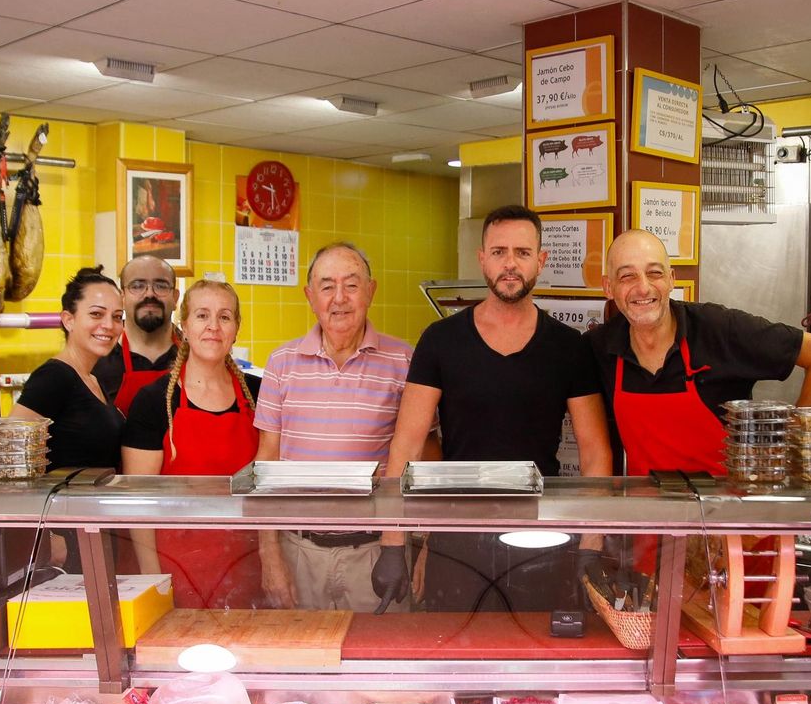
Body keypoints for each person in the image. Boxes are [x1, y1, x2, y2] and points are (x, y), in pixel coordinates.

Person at [374, 205, 613, 613]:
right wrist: (392, 541)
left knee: (536, 661)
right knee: (455, 663)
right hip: (457, 535)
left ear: (541, 261)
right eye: (499, 252)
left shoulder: (568, 347)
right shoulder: (440, 340)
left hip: (541, 536)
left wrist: (590, 545)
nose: (510, 264)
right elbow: (408, 445)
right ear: (482, 258)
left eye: (522, 253)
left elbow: (595, 453)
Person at [589, 228, 811, 476]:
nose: (643, 287)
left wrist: (795, 435)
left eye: (655, 273)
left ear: (671, 279)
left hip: (729, 510)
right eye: (627, 276)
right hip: (650, 511)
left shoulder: (720, 329)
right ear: (608, 287)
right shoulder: (599, 346)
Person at [253, 242, 421, 612]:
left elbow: (423, 459)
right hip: (298, 553)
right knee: (301, 662)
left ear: (371, 291)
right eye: (327, 286)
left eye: (352, 285)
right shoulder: (281, 363)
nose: (339, 298)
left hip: (376, 553)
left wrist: (422, 547)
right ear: (310, 296)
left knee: (382, 662)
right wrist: (269, 554)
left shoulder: (405, 361)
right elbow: (266, 463)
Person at [122, 279, 265, 609]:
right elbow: (137, 501)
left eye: (225, 317)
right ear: (184, 325)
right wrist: (152, 582)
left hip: (245, 566)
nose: (213, 327)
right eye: (202, 316)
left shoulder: (258, 394)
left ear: (237, 328)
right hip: (172, 567)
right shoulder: (155, 400)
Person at [8, 266, 125, 470]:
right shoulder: (54, 377)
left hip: (89, 499)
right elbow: (10, 450)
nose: (109, 325)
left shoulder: (92, 379)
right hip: (62, 501)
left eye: (117, 317)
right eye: (96, 314)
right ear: (69, 320)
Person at [95, 255, 181, 413]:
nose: (149, 294)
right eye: (137, 286)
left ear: (175, 298)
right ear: (122, 297)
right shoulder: (97, 360)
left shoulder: (195, 356)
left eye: (161, 286)